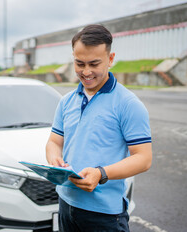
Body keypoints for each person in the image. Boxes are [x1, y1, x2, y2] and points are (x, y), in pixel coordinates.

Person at [46, 24, 152, 232]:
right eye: (79, 63)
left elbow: (144, 158)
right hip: (66, 204)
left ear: (110, 59)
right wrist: (54, 159)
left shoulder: (128, 104)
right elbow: (54, 142)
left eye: (94, 64)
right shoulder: (66, 101)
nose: (86, 72)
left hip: (105, 215)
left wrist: (101, 173)